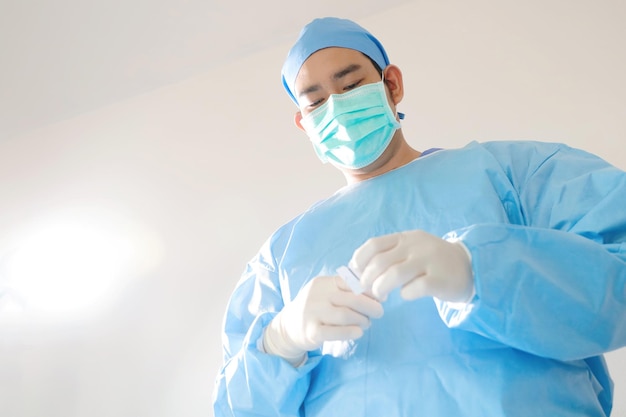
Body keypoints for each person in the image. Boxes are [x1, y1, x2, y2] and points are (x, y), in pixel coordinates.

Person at [213, 17, 626, 416]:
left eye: (352, 84)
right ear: (304, 124)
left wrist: (480, 270)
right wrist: (280, 341)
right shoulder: (281, 257)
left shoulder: (514, 173)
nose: (337, 108)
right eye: (317, 101)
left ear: (392, 85)